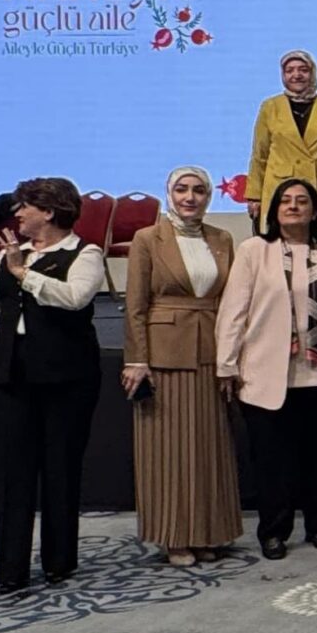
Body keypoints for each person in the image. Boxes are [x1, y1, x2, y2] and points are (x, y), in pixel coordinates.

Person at [0, 176, 106, 593]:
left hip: (66, 376)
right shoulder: (14, 253)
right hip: (10, 373)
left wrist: (24, 272)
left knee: (60, 468)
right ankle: (10, 570)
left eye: (24, 207)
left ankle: (59, 562)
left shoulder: (85, 253)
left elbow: (74, 298)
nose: (17, 214)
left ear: (50, 212)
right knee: (12, 473)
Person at [216, 177, 317, 561]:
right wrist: (226, 364)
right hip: (267, 374)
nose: (293, 206)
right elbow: (233, 311)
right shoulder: (254, 251)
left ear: (314, 210)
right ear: (274, 210)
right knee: (273, 462)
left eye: (302, 201)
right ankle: (274, 531)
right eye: (285, 201)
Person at [120, 166, 242, 566]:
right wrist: (137, 359)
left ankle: (208, 532)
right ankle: (175, 535)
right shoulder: (147, 238)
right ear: (169, 193)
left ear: (209, 197)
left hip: (210, 352)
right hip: (163, 356)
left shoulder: (222, 239)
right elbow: (135, 305)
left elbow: (231, 302)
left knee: (209, 448)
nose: (190, 197)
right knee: (169, 450)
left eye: (199, 190)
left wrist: (231, 357)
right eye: (182, 189)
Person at [246, 50, 317, 230]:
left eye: (303, 69)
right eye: (290, 70)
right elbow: (259, 155)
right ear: (283, 75)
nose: (296, 75)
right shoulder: (270, 107)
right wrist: (254, 196)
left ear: (313, 73)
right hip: (281, 192)